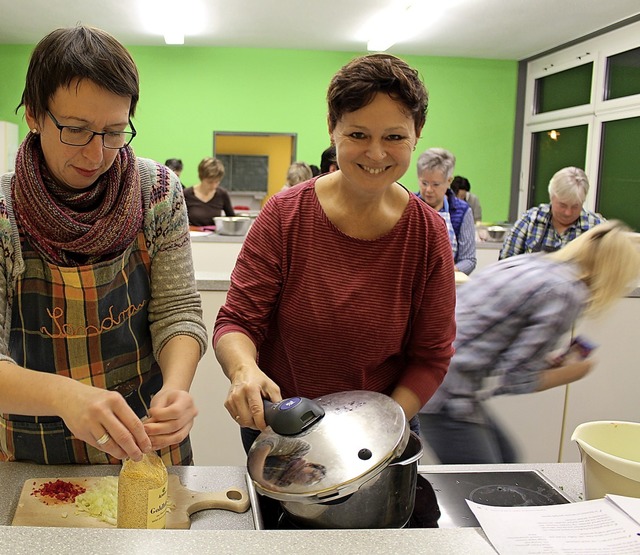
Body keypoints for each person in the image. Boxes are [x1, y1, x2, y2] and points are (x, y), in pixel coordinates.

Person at [214, 53, 456, 454]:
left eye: (394, 137)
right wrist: (244, 371)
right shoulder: (285, 214)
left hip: (380, 428)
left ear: (417, 133)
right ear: (332, 129)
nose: (376, 154)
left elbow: (431, 357)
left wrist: (376, 429)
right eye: (358, 135)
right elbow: (238, 320)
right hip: (286, 424)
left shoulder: (428, 234)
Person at [0, 26, 208, 465]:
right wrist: (64, 395)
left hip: (144, 442)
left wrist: (174, 388)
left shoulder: (157, 193)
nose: (96, 156)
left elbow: (178, 312)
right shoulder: (3, 213)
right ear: (34, 115)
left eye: (114, 132)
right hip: (31, 449)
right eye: (76, 130)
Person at [419, 221, 640, 464]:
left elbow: (503, 347)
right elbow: (516, 379)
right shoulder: (567, 293)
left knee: (507, 461)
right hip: (448, 391)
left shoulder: (535, 263)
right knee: (488, 486)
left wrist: (546, 363)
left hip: (438, 374)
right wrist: (575, 372)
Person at [499, 166, 604, 259]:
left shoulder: (597, 228)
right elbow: (505, 265)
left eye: (575, 206)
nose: (568, 212)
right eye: (562, 205)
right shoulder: (530, 221)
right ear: (551, 197)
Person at [416, 148, 477, 275]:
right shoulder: (408, 206)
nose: (428, 190)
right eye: (424, 183)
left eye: (435, 184)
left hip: (446, 282)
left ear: (449, 181)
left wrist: (445, 273)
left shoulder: (462, 211)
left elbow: (468, 260)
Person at [184, 157, 235, 227]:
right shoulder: (186, 194)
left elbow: (231, 218)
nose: (214, 186)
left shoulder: (222, 194)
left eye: (217, 182)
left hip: (214, 236)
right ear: (201, 178)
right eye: (209, 182)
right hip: (193, 235)